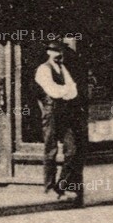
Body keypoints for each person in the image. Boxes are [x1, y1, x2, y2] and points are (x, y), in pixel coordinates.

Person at [35, 36, 84, 203]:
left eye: (60, 51)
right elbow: (53, 90)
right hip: (51, 112)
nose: (58, 54)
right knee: (51, 150)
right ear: (49, 52)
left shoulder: (63, 69)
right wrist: (65, 91)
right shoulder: (43, 69)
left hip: (64, 113)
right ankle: (49, 187)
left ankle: (61, 186)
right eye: (55, 51)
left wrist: (65, 91)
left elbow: (74, 90)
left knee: (71, 150)